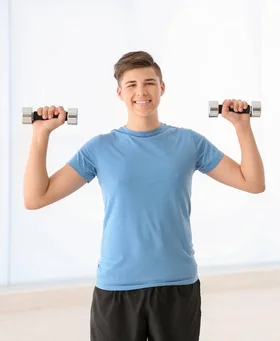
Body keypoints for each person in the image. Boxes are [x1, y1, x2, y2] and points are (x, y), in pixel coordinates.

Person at [23, 51, 265, 341]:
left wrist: (242, 126)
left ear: (162, 88)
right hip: (117, 286)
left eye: (149, 83)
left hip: (176, 284)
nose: (141, 92)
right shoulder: (100, 148)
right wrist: (41, 135)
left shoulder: (189, 142)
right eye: (132, 85)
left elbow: (252, 182)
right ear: (120, 93)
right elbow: (36, 197)